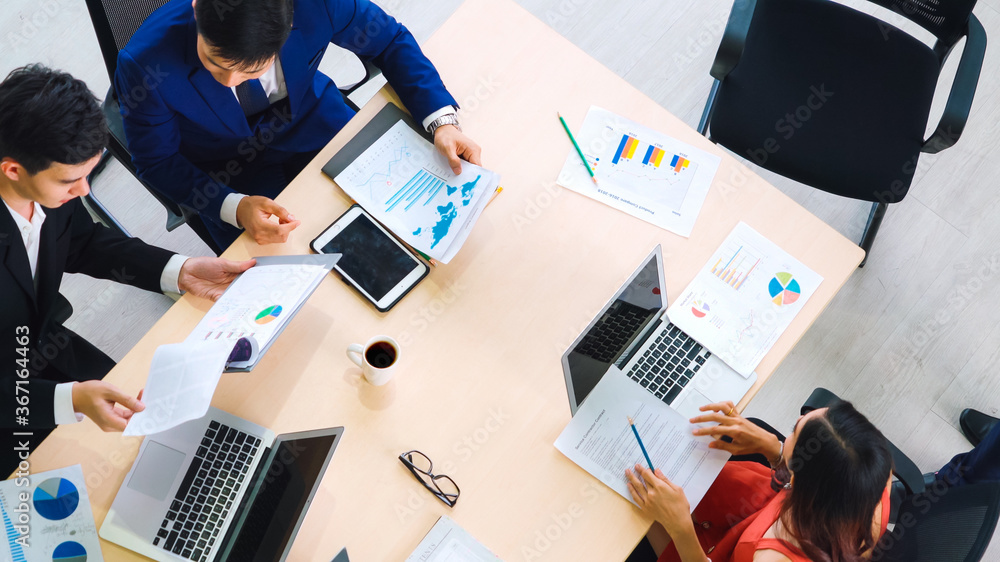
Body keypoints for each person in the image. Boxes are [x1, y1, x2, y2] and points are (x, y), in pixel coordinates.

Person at [0, 64, 255, 472]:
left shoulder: (46, 189)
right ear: (12, 170)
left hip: (44, 345)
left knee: (159, 446)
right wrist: (68, 401)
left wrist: (178, 270)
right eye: (71, 181)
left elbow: (83, 242)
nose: (85, 190)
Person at [116, 0, 482, 252]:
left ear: (288, 26)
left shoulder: (314, 4)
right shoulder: (144, 64)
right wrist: (233, 207)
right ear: (196, 7)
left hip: (316, 122)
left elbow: (389, 41)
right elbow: (157, 161)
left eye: (252, 70)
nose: (229, 82)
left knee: (408, 225)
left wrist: (441, 121)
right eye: (213, 62)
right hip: (226, 174)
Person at [626, 401, 893, 562]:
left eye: (793, 431)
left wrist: (681, 529)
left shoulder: (773, 558)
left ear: (803, 483)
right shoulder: (875, 475)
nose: (789, 431)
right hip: (760, 513)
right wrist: (775, 451)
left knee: (630, 509)